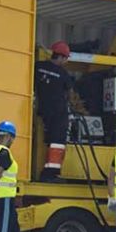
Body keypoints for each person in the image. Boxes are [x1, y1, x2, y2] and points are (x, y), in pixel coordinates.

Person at [34, 41, 74, 182]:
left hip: (43, 112)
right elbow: (71, 95)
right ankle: (50, 173)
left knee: (48, 140)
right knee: (57, 143)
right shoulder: (63, 74)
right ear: (62, 57)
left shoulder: (38, 67)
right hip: (59, 113)